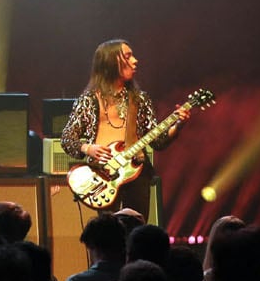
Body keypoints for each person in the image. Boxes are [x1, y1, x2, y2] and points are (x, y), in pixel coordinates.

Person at [60, 39, 184, 216]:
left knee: (135, 229)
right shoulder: (89, 100)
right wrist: (88, 148)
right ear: (111, 62)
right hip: (104, 176)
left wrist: (178, 125)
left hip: (137, 174)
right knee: (109, 234)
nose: (135, 61)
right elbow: (67, 138)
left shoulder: (139, 99)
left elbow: (158, 141)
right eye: (128, 56)